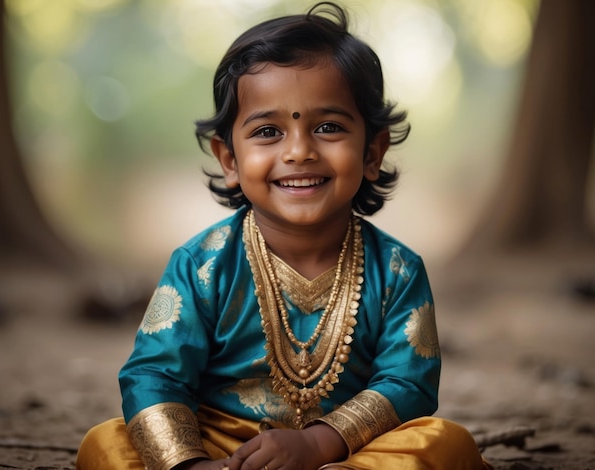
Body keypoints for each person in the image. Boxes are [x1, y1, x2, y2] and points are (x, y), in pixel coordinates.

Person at [76, 2, 493, 469]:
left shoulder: (396, 270)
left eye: (329, 127)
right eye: (269, 131)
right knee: (106, 443)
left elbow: (409, 383)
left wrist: (317, 444)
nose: (299, 151)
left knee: (446, 443)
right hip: (220, 451)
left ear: (373, 152)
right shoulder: (202, 265)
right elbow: (154, 373)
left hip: (343, 453)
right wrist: (190, 463)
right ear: (229, 159)